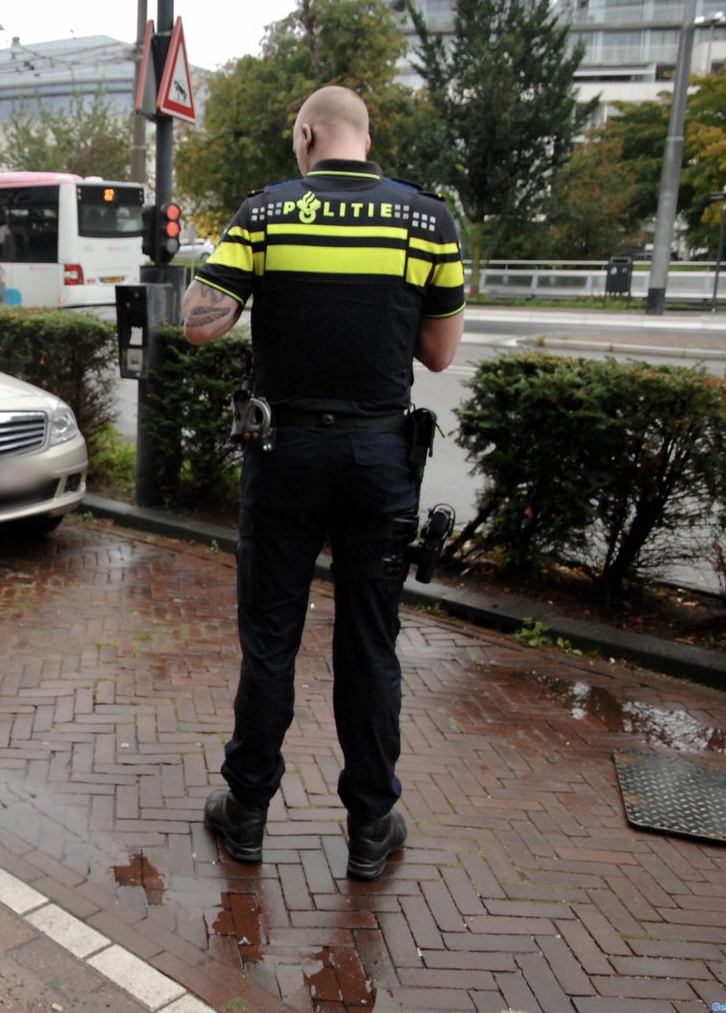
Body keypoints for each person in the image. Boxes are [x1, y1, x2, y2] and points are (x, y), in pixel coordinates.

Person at [182, 85, 466, 881]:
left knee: (271, 639)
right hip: (380, 460)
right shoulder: (427, 220)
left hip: (286, 453)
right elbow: (439, 354)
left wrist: (250, 277)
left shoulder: (266, 213)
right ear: (364, 139)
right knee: (371, 645)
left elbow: (199, 325)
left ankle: (246, 813)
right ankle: (371, 826)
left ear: (307, 134)